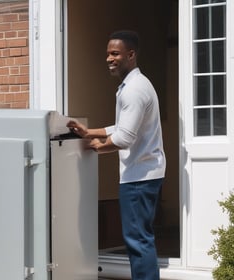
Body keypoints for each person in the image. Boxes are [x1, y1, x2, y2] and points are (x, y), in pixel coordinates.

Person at [67, 30, 166, 280]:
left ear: (131, 55)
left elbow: (123, 138)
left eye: (115, 54)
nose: (109, 59)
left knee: (138, 241)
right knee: (141, 238)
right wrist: (90, 132)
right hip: (143, 174)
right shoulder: (134, 85)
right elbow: (122, 127)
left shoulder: (133, 90)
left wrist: (98, 147)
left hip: (139, 177)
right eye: (108, 54)